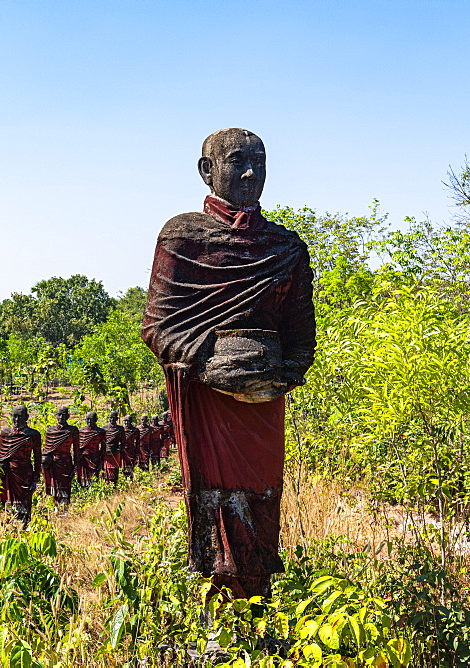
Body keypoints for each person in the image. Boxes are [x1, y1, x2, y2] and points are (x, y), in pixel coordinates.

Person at [142, 128, 316, 599]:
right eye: (237, 161)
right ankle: (218, 621)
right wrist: (208, 366)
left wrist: (280, 375)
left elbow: (302, 340)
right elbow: (158, 328)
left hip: (261, 402)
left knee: (259, 504)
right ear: (207, 170)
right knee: (215, 508)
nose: (249, 173)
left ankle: (256, 610)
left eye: (259, 163)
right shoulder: (183, 237)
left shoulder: (286, 248)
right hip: (207, 397)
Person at [0, 405, 42, 523]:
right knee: (7, 501)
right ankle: (9, 525)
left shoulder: (33, 434)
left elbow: (37, 458)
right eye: (14, 416)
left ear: (26, 417)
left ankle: (24, 525)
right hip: (8, 473)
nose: (17, 420)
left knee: (24, 501)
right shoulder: (5, 433)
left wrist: (36, 477)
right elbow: (2, 455)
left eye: (20, 417)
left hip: (24, 473)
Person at [42, 406, 79, 512]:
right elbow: (47, 449)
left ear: (68, 416)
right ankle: (56, 509)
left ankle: (65, 509)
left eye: (63, 414)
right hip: (54, 464)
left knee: (66, 487)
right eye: (59, 414)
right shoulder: (50, 430)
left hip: (66, 463)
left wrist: (76, 465)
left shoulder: (73, 430)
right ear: (55, 416)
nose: (61, 417)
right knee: (55, 487)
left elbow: (76, 450)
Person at [75, 411, 106, 487]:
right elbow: (77, 446)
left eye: (91, 419)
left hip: (95, 457)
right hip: (83, 458)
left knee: (94, 477)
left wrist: (101, 461)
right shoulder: (80, 431)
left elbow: (103, 448)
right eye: (87, 419)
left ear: (96, 419)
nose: (89, 421)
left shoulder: (100, 432)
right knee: (82, 478)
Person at [102, 410, 126, 484]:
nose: (111, 419)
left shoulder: (120, 429)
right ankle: (106, 484)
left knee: (115, 469)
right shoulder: (104, 429)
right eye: (110, 418)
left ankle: (114, 484)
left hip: (115, 452)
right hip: (106, 452)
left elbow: (123, 443)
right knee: (106, 469)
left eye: (113, 418)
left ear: (117, 419)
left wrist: (118, 449)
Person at [122, 413, 139, 478]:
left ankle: (131, 478)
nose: (126, 422)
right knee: (124, 465)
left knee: (131, 464)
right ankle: (124, 478)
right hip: (124, 450)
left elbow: (138, 442)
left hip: (132, 449)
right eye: (125, 421)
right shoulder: (122, 429)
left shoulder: (135, 430)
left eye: (128, 421)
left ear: (131, 421)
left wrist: (137, 451)